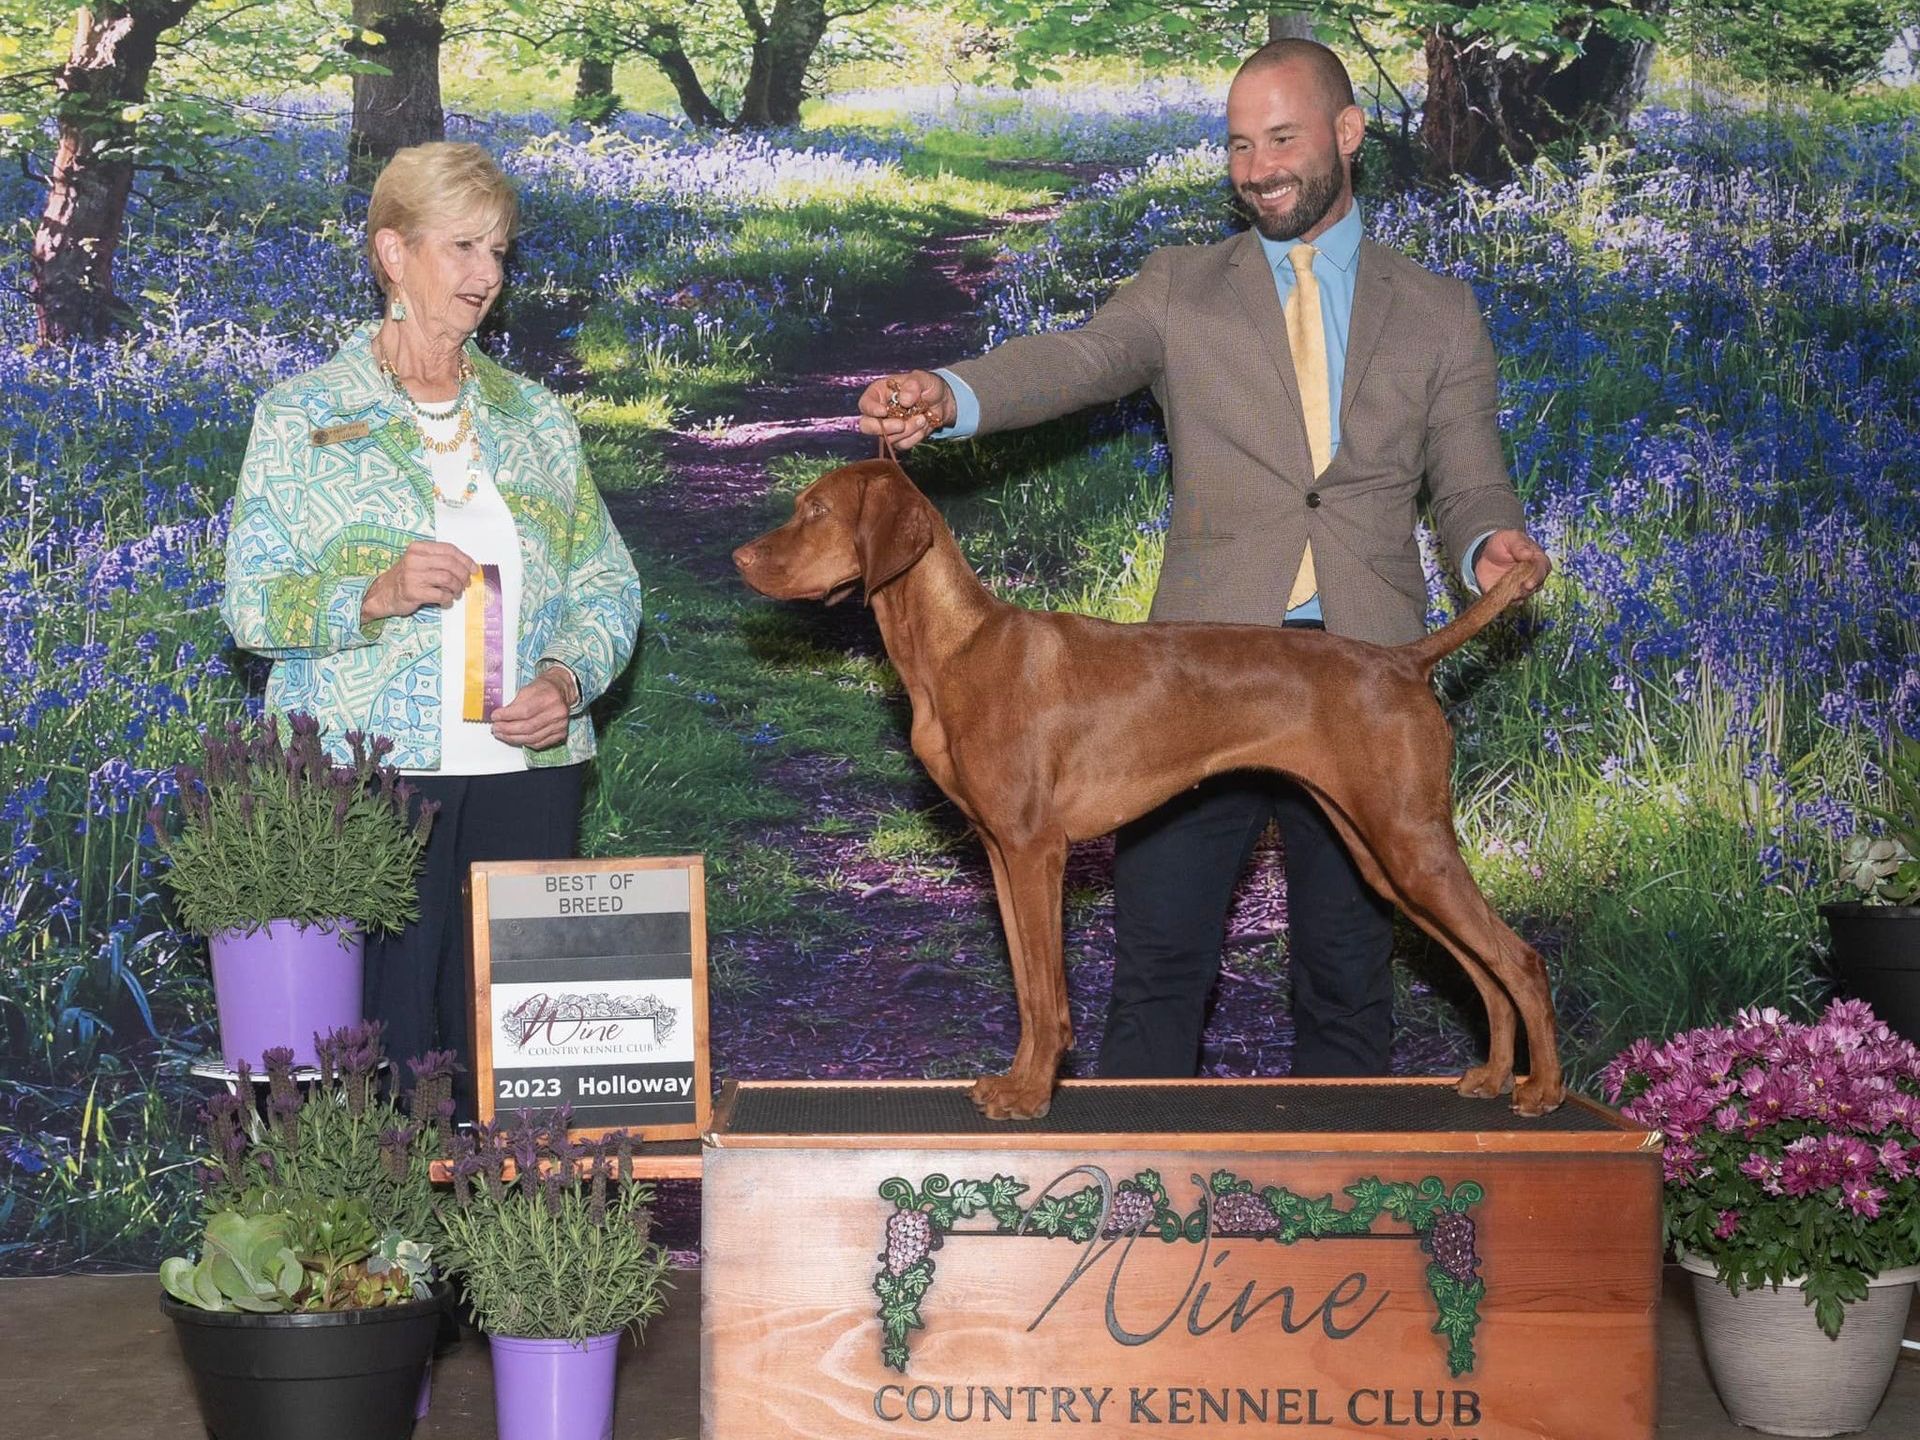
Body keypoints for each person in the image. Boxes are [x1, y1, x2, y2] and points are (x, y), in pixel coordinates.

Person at [857, 40, 1550, 1083]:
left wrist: (1488, 540)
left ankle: (1338, 1216)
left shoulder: (1439, 311)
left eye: (1282, 138)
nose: (1258, 165)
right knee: (1160, 967)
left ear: (1348, 135)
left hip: (1360, 664)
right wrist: (950, 395)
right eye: (1237, 144)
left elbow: (1469, 475)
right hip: (1190, 676)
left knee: (1347, 974)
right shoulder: (1180, 287)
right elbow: (1078, 359)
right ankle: (1134, 1213)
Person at [222, 142, 643, 1112]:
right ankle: (381, 1265)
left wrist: (568, 678)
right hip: (370, 781)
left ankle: (509, 1262)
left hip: (527, 781)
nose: (488, 275)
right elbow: (249, 608)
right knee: (381, 1056)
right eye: (461, 247)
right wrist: (368, 593)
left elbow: (607, 583)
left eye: (498, 250)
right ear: (392, 255)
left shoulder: (537, 420)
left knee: (525, 1064)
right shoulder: (301, 417)